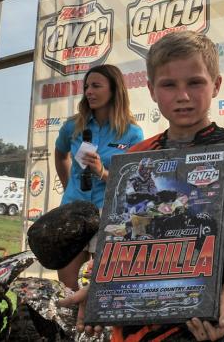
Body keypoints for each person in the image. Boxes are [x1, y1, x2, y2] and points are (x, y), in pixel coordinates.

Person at [62, 31, 224, 341]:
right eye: (168, 85)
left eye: (195, 82)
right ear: (151, 90)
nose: (183, 96)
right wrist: (101, 292)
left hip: (203, 326)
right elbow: (121, 240)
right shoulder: (136, 158)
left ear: (216, 85)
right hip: (134, 327)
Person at [53, 64, 143, 289]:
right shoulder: (73, 126)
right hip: (73, 211)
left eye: (96, 86)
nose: (89, 92)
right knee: (68, 286)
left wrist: (102, 173)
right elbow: (60, 155)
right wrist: (69, 189)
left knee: (104, 287)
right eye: (86, 87)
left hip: (111, 212)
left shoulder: (132, 133)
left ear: (114, 89)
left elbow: (134, 180)